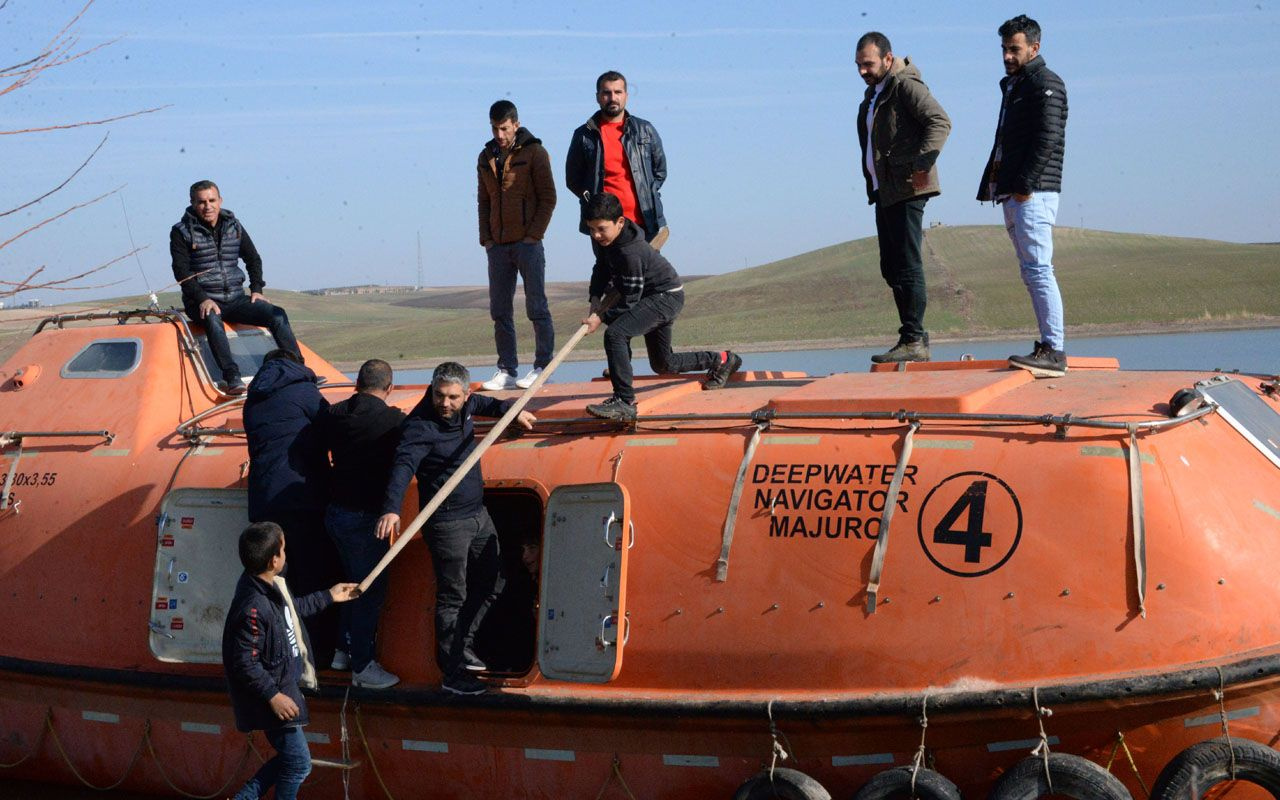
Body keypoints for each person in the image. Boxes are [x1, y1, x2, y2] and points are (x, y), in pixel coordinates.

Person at [376, 362, 536, 695]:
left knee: (497, 578)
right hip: (447, 523)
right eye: (439, 395)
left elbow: (490, 405)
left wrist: (512, 412)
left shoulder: (468, 405)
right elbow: (402, 467)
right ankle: (452, 674)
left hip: (477, 514)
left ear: (465, 394)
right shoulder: (419, 427)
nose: (445, 404)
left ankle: (465, 641)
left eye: (452, 397)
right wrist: (391, 509)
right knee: (453, 597)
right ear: (432, 390)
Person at [222, 521, 359, 800]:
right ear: (275, 560)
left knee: (290, 760)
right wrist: (274, 696)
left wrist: (330, 596)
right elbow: (244, 662)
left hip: (284, 689)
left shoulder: (269, 587)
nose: (286, 554)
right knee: (298, 764)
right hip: (271, 698)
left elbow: (292, 612)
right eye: (283, 549)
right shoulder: (253, 605)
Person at [580, 192, 740, 421]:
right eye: (591, 229)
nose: (596, 235)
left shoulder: (630, 251)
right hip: (651, 297)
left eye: (601, 229)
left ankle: (624, 401)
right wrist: (595, 299)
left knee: (615, 334)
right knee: (663, 363)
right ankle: (723, 360)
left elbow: (629, 300)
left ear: (620, 222)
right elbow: (601, 268)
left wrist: (600, 318)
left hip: (666, 297)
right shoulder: (609, 241)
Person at [977, 14, 1070, 377]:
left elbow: (1048, 137)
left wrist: (1025, 185)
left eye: (1014, 49)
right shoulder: (1018, 86)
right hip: (1017, 192)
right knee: (1031, 272)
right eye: (1004, 49)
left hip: (1033, 193)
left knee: (1039, 270)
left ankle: (1054, 350)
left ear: (1035, 47)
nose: (1007, 56)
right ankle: (1050, 346)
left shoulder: (1045, 84)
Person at [855, 32, 952, 364]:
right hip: (885, 191)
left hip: (909, 187)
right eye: (858, 65)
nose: (863, 71)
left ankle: (913, 338)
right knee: (890, 266)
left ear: (887, 58)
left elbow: (939, 122)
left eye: (868, 64)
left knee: (907, 263)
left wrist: (923, 164)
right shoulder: (872, 97)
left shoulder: (905, 86)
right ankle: (914, 337)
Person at [244, 349, 342, 669]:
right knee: (315, 577)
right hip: (302, 499)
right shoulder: (304, 391)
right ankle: (319, 655)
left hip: (263, 502)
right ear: (296, 366)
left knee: (275, 585)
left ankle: (275, 654)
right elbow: (332, 427)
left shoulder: (253, 399)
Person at [319, 359, 405, 689]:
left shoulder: (333, 414)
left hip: (335, 514)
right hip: (365, 518)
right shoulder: (393, 420)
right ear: (389, 389)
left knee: (351, 581)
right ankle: (363, 666)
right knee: (368, 589)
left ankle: (342, 650)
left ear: (356, 384)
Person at [170, 180, 301, 395]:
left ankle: (298, 370)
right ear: (193, 203)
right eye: (201, 202)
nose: (207, 206)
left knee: (277, 315)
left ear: (220, 201)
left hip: (236, 298)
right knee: (213, 317)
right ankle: (232, 377)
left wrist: (257, 289)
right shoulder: (181, 232)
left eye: (212, 200)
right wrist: (202, 298)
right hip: (202, 300)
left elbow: (253, 258)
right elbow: (181, 272)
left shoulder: (234, 226)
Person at [477, 100, 558, 392]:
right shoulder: (485, 156)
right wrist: (486, 239)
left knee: (536, 306)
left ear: (516, 124)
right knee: (500, 310)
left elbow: (549, 197)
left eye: (504, 128)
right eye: (495, 128)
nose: (499, 134)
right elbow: (483, 201)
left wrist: (533, 235)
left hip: (528, 244)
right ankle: (506, 369)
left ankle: (542, 367)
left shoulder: (535, 152)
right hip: (497, 246)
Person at [566, 70, 667, 243]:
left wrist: (648, 194)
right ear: (598, 97)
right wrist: (593, 204)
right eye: (607, 93)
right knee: (608, 271)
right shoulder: (584, 135)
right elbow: (573, 180)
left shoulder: (645, 130)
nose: (613, 98)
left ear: (626, 95)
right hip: (604, 227)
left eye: (618, 92)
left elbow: (660, 172)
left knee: (645, 270)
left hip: (643, 221)